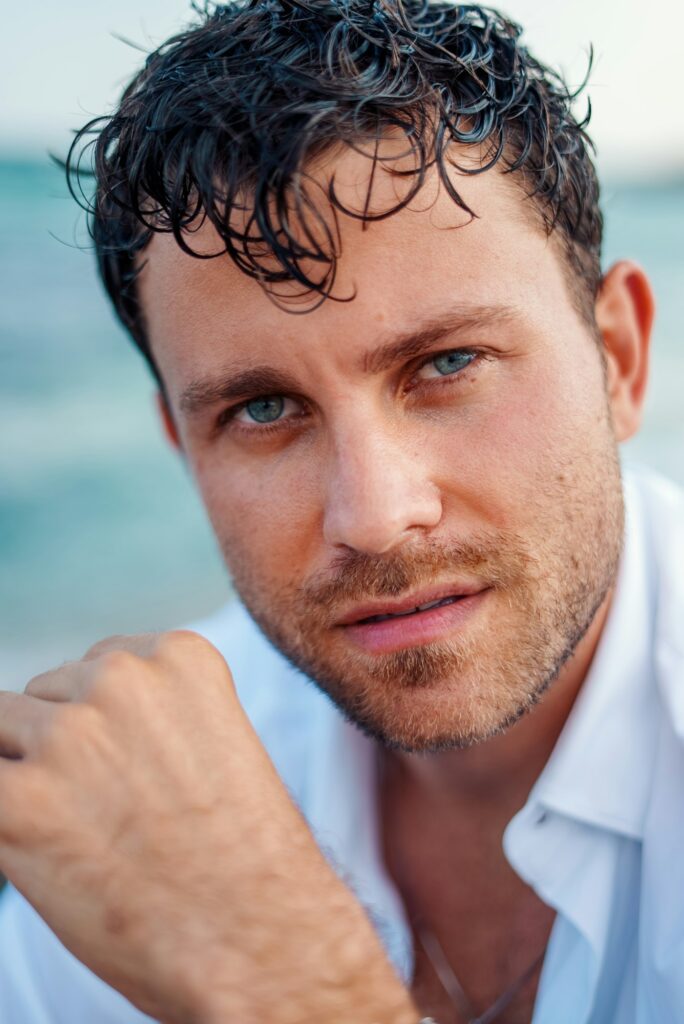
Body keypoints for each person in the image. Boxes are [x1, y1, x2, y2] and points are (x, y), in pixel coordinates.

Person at [0, 1, 682, 1022]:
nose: (373, 513)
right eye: (263, 408)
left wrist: (304, 988)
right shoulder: (144, 821)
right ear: (184, 446)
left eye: (449, 363)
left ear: (619, 358)